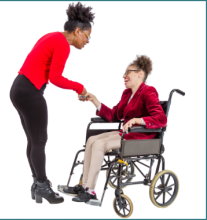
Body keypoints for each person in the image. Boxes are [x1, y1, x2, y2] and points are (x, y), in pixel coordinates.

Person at [9, 1, 96, 205]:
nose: (88, 41)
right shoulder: (62, 43)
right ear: (77, 31)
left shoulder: (51, 35)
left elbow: (47, 73)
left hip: (19, 88)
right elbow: (56, 78)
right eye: (87, 36)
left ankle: (38, 186)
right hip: (30, 91)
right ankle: (42, 185)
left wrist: (76, 88)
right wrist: (80, 87)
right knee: (39, 141)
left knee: (33, 140)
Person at [63, 53, 169, 203]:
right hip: (126, 134)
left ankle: (91, 191)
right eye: (124, 72)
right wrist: (95, 101)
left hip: (141, 137)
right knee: (92, 140)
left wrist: (137, 120)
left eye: (128, 72)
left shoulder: (148, 91)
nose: (124, 76)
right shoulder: (127, 94)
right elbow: (114, 115)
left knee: (100, 144)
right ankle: (84, 185)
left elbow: (161, 119)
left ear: (140, 74)